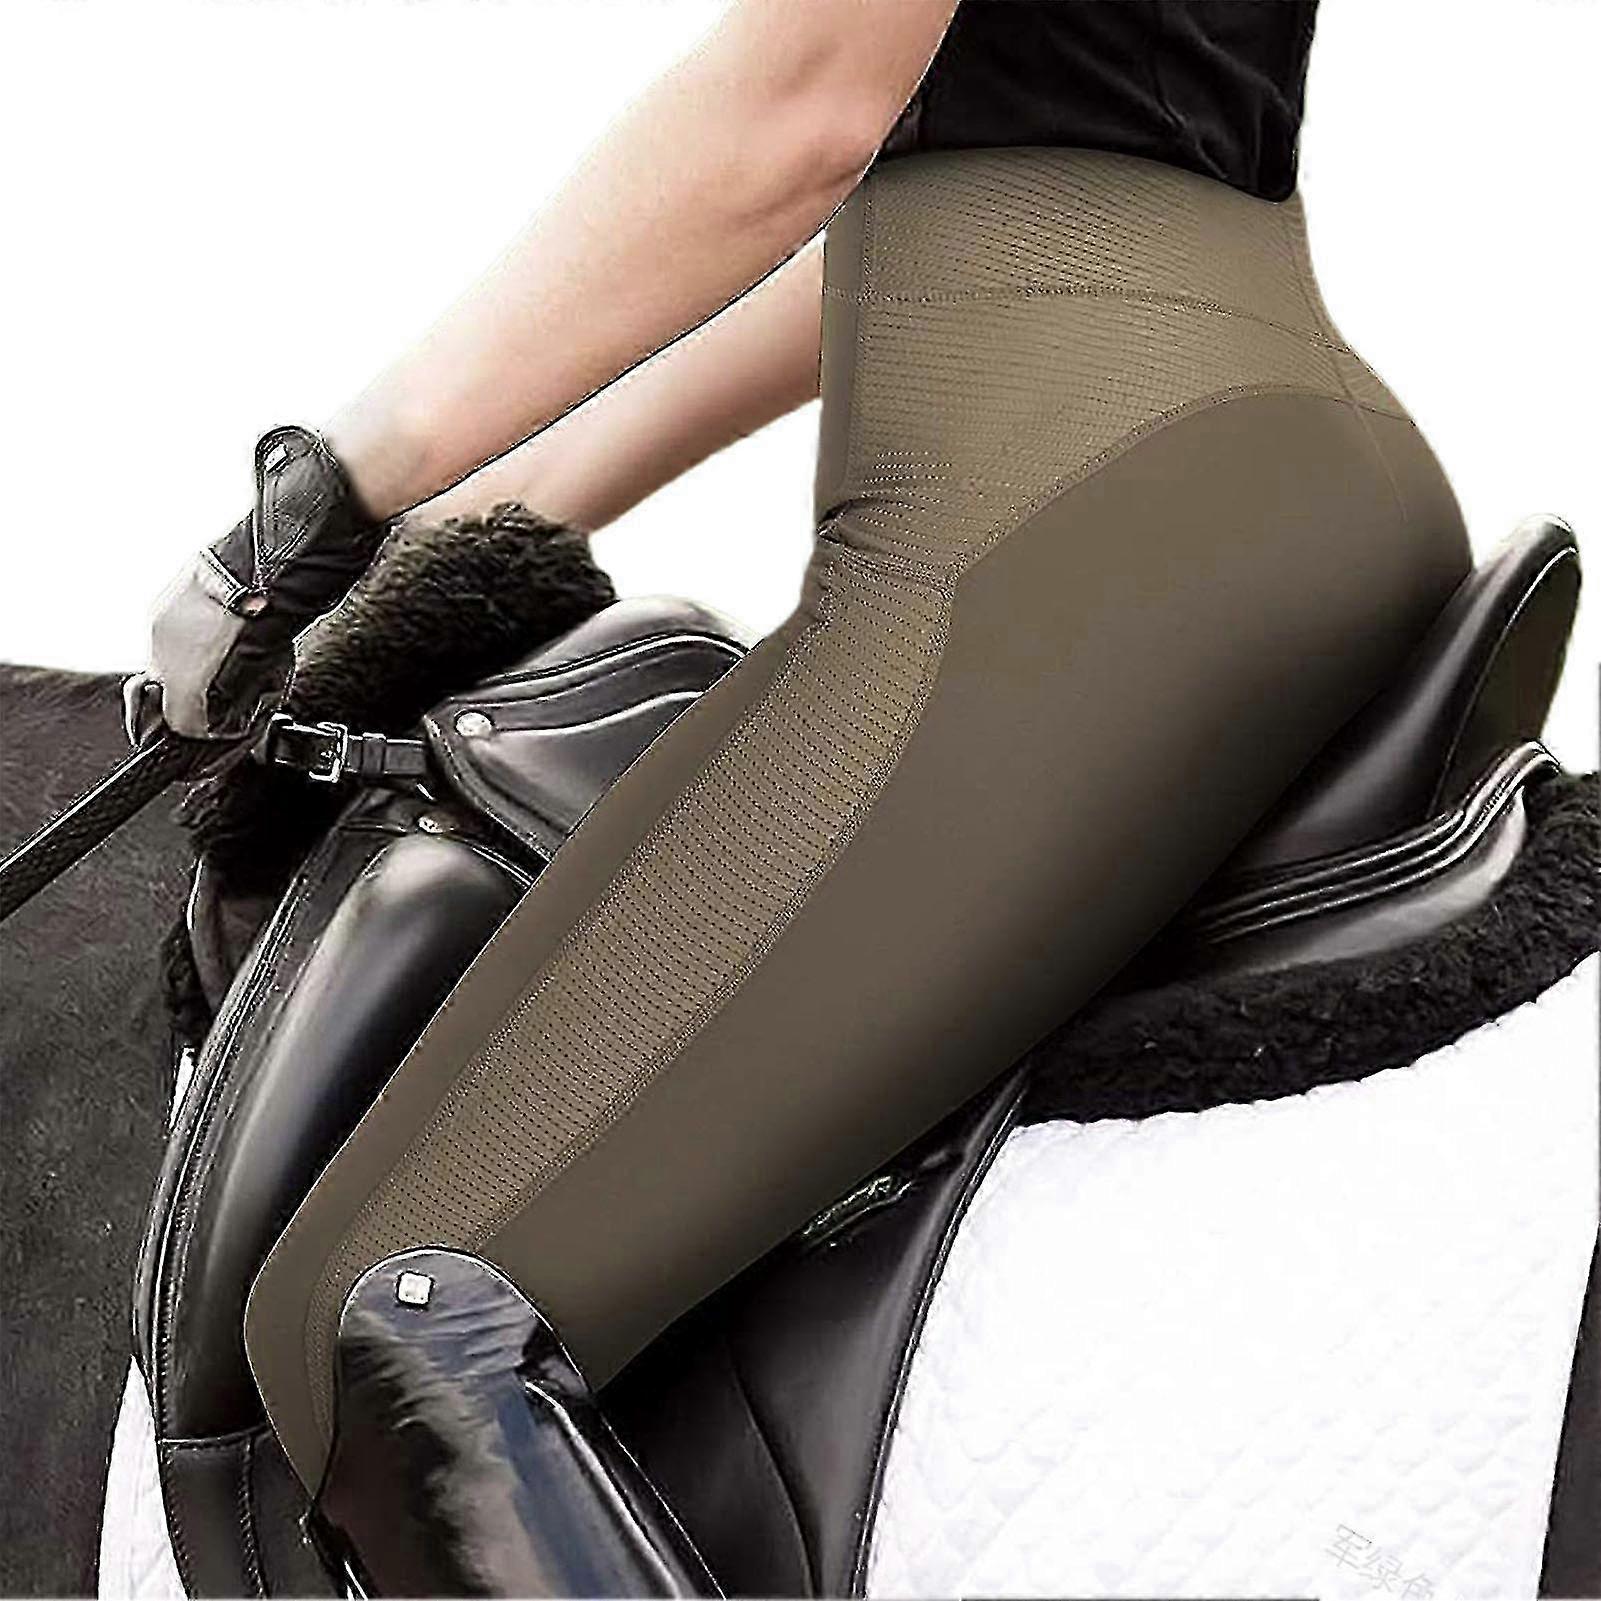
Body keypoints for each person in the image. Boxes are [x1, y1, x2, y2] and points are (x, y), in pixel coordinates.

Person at [136, 0, 1472, 1506]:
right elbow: (926, 181)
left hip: (1075, 509)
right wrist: (472, 524)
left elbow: (798, 111)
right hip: (1272, 428)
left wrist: (307, 506)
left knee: (385, 1327)